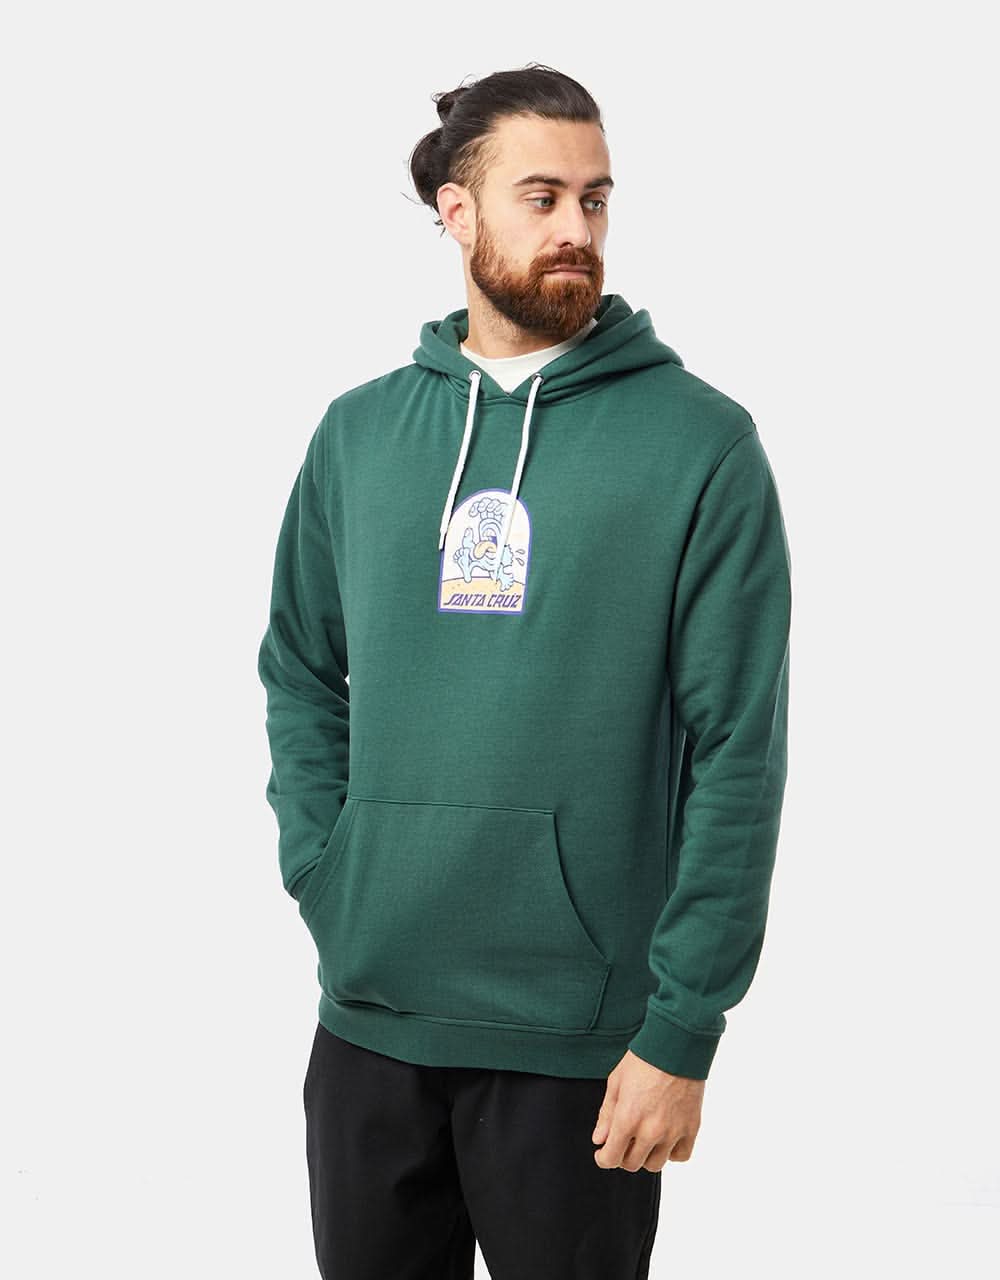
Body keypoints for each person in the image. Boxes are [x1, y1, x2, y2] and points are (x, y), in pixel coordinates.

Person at [257, 62, 792, 1280]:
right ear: (457, 211)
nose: (575, 230)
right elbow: (300, 665)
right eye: (540, 197)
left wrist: (683, 1026)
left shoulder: (701, 444)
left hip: (582, 1043)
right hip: (370, 1019)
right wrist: (326, 864)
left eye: (594, 200)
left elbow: (738, 750)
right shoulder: (358, 433)